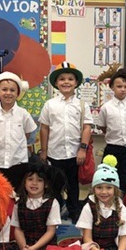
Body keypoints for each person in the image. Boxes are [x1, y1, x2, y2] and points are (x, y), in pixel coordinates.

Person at [39, 61, 92, 223]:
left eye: (70, 79)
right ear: (56, 83)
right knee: (55, 186)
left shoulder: (82, 105)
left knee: (73, 185)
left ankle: (74, 211)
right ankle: (55, 213)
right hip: (55, 153)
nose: (66, 82)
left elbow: (86, 127)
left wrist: (82, 149)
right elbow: (44, 128)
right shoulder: (50, 104)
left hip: (75, 153)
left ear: (76, 82)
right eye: (62, 79)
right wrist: (44, 151)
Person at [76, 156, 126, 250]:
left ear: (115, 189)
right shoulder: (88, 207)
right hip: (92, 248)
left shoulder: (121, 208)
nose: (104, 192)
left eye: (108, 188)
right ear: (93, 189)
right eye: (99, 187)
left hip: (112, 248)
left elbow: (123, 237)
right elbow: (87, 238)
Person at [5, 160, 66, 250]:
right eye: (30, 179)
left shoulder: (52, 203)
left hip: (43, 244)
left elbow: (50, 231)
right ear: (24, 182)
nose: (34, 183)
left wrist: (32, 249)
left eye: (39, 180)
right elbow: (18, 229)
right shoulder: (19, 203)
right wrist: (24, 248)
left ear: (46, 184)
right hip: (25, 242)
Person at [0, 71, 36, 191]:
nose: (8, 93)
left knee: (18, 192)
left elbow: (27, 133)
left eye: (12, 90)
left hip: (19, 162)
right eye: (4, 89)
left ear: (18, 93)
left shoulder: (23, 114)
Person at [96, 66, 126, 195]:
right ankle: (110, 198)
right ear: (112, 87)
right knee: (109, 176)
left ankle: (123, 200)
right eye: (119, 86)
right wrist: (112, 136)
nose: (123, 89)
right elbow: (102, 126)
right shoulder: (106, 107)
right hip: (112, 148)